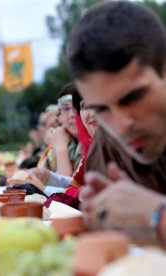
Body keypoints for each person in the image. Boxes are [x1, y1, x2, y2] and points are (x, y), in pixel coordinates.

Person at [68, 1, 166, 241]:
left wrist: (157, 216)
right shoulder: (105, 144)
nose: (121, 124)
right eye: (101, 109)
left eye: (133, 97)